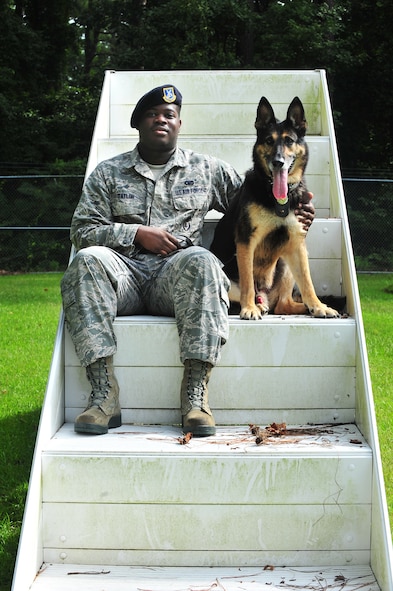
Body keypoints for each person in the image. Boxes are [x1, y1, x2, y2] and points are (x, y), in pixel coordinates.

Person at [61, 84, 314, 438]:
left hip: (177, 278)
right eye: (152, 114)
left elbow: (253, 204)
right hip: (123, 276)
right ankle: (103, 395)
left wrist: (293, 206)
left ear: (179, 124)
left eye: (169, 115)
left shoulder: (206, 168)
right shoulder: (108, 172)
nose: (161, 119)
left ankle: (195, 394)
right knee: (86, 261)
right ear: (138, 123)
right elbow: (82, 229)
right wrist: (136, 234)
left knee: (203, 260)